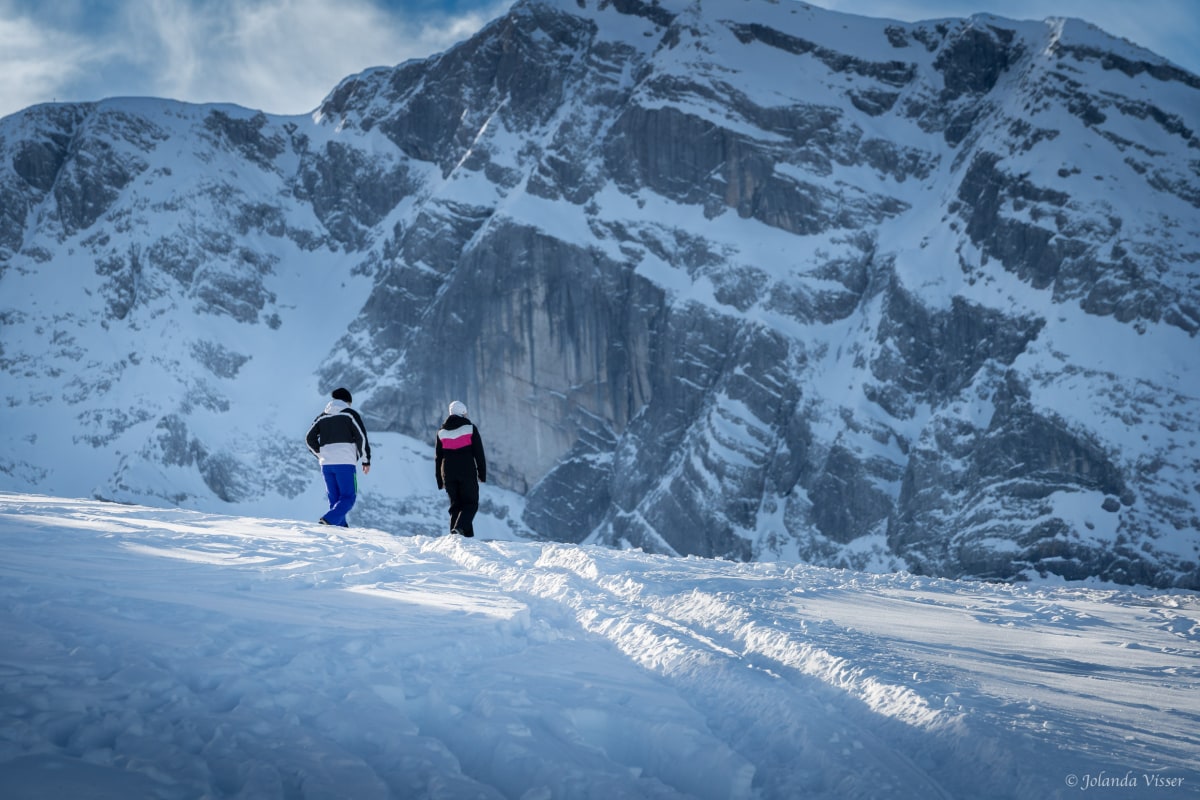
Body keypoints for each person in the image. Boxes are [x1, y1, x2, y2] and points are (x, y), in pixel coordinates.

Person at [305, 387, 371, 527]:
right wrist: (366, 460)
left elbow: (309, 438)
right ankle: (328, 520)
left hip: (326, 465)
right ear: (347, 401)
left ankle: (340, 529)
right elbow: (361, 437)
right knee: (348, 497)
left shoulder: (322, 417)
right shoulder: (350, 414)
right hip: (345, 462)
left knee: (334, 499)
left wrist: (321, 454)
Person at [435, 400, 486, 537]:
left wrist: (439, 480)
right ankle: (459, 529)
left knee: (456, 506)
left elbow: (438, 458)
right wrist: (482, 474)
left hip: (448, 474)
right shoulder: (470, 428)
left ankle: (460, 538)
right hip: (466, 472)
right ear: (463, 412)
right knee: (471, 503)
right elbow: (479, 453)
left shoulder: (442, 432)